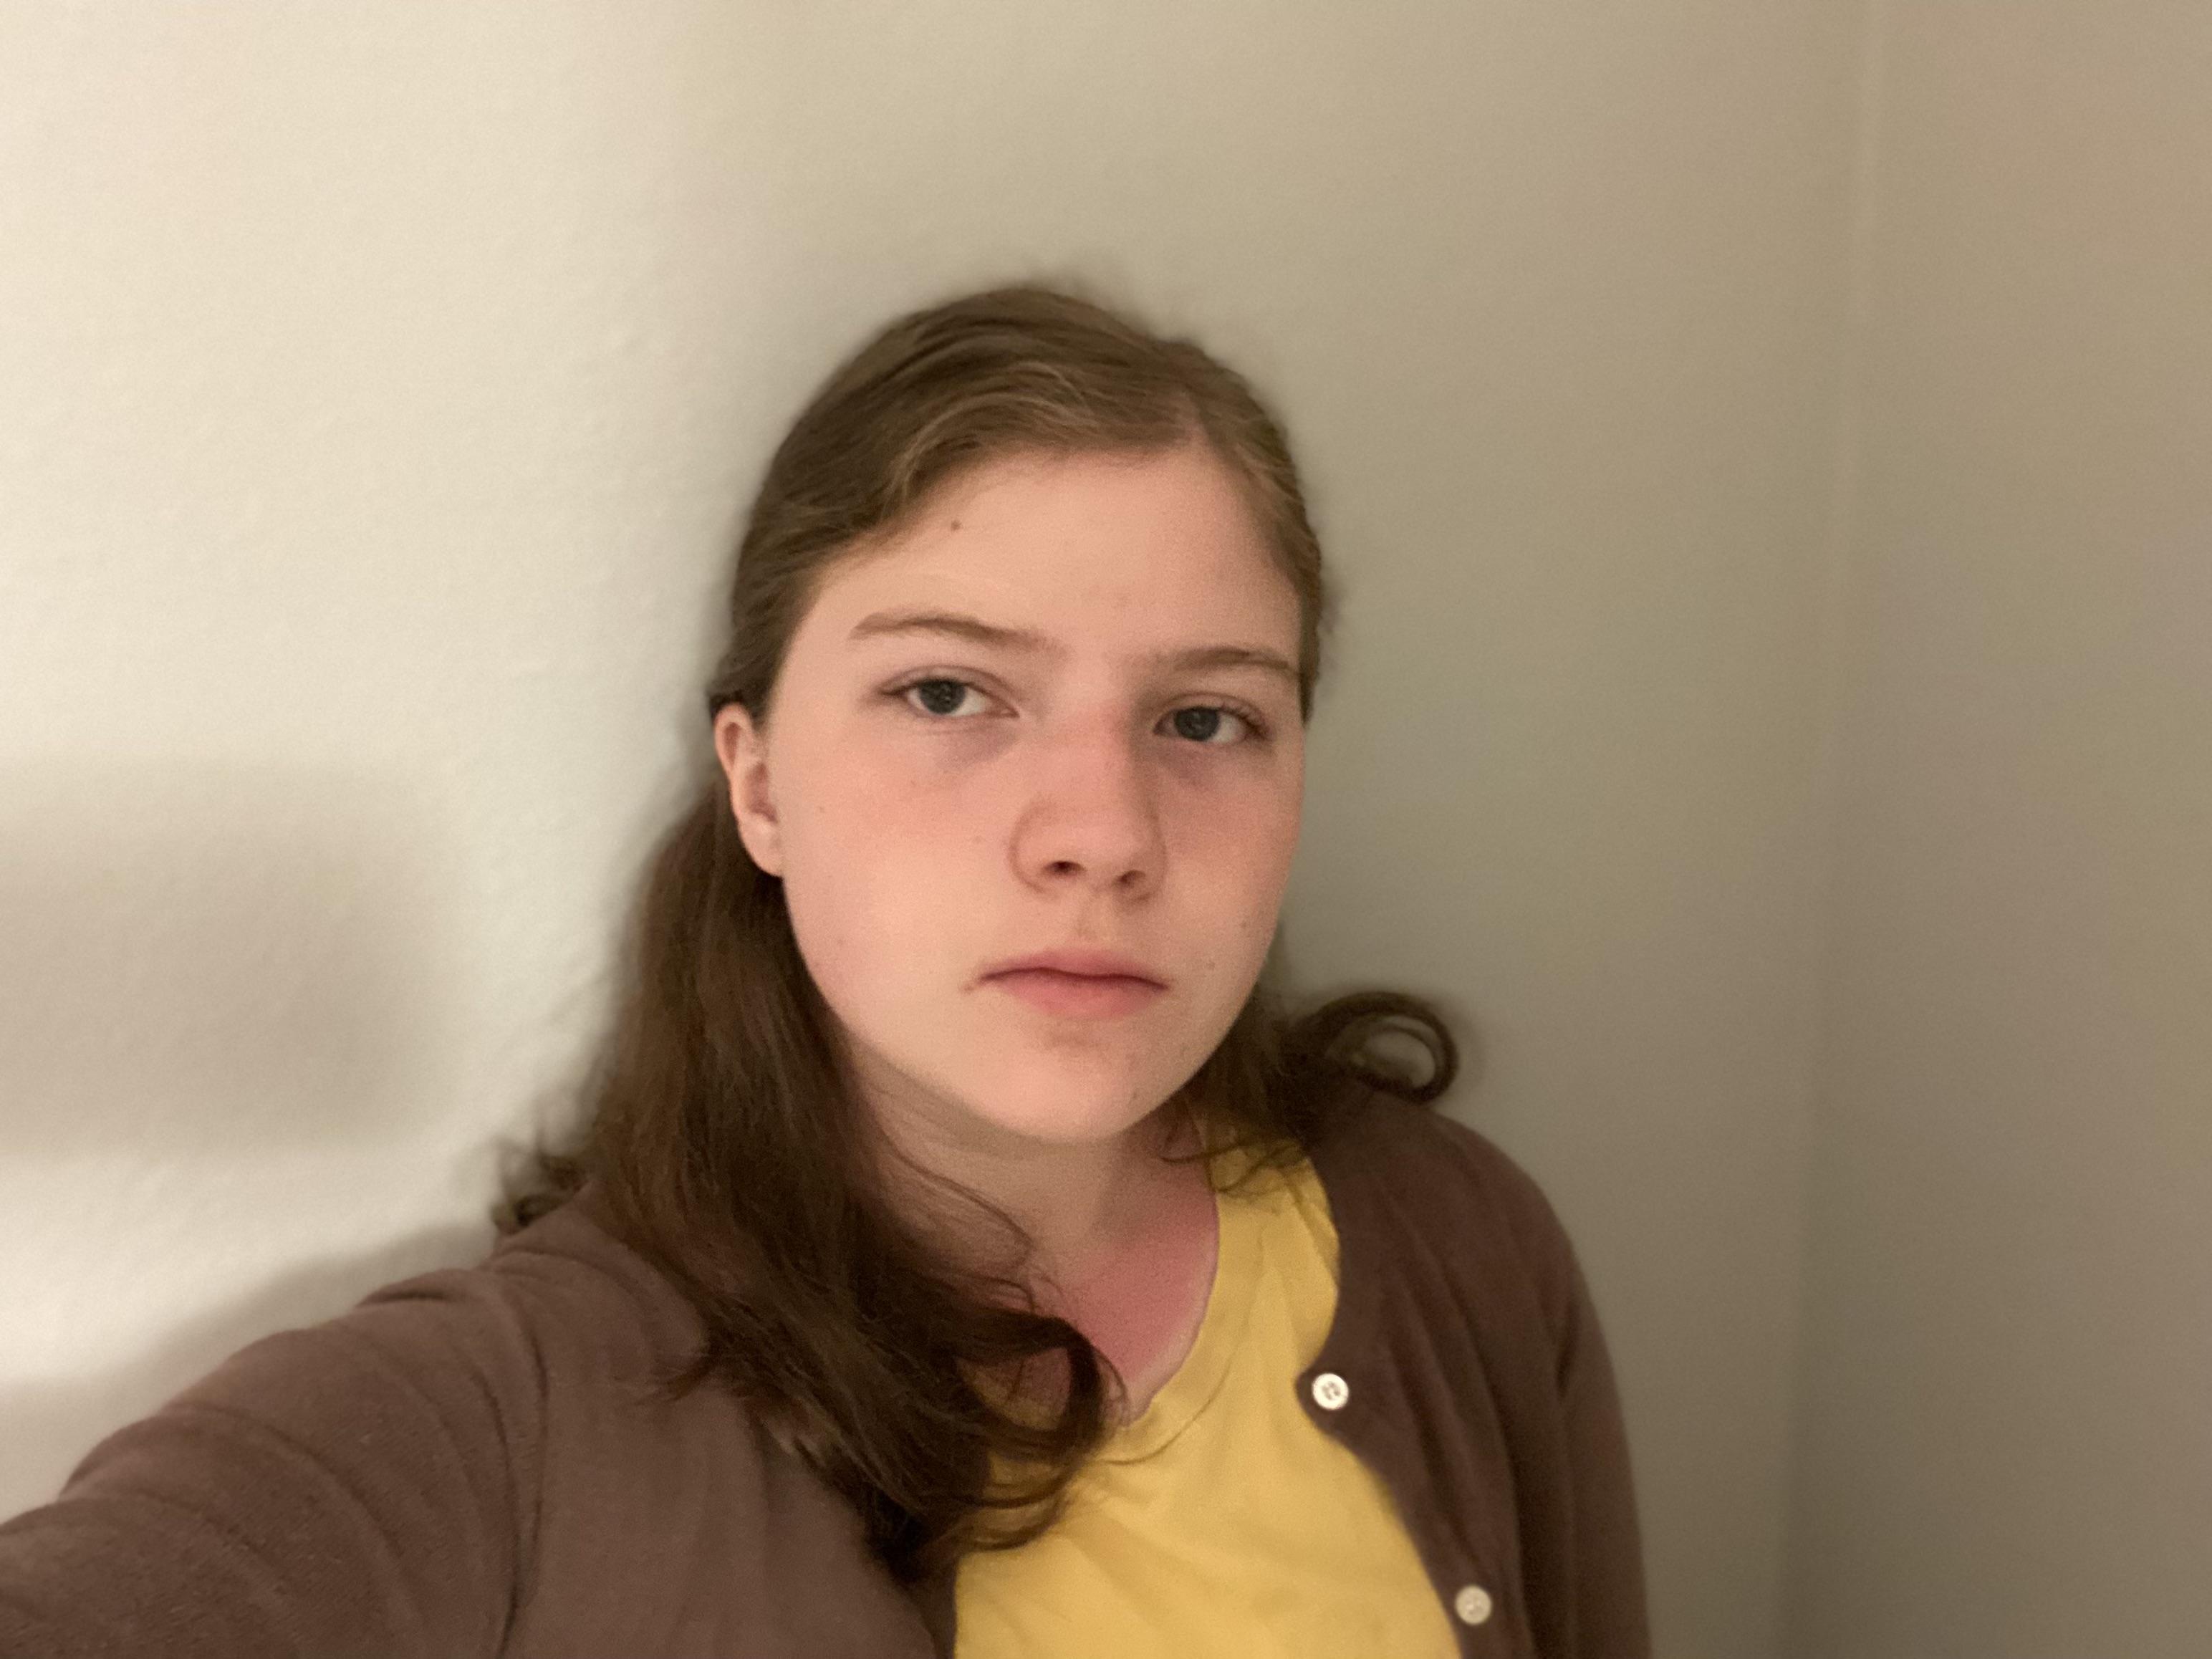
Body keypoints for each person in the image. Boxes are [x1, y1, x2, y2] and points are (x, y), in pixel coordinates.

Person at [0, 284, 1647, 1658]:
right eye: (947, 694)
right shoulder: (512, 1420)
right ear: (759, 784)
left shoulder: (1455, 1239)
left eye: (1203, 718)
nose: (1102, 834)